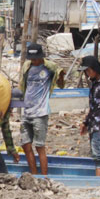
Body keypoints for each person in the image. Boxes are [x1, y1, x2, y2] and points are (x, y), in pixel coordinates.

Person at [17, 42, 61, 176]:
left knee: (39, 146)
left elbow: (60, 82)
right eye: (32, 59)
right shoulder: (27, 67)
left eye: (36, 59)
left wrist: (61, 75)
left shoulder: (49, 69)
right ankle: (34, 174)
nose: (34, 61)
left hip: (40, 113)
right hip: (27, 111)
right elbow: (22, 87)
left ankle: (44, 177)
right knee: (25, 145)